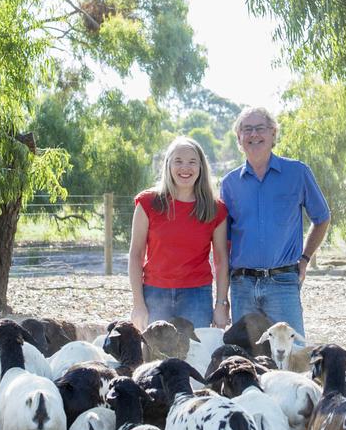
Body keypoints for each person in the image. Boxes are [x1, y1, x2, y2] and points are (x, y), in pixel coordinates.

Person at [220, 106, 330, 337]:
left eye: (260, 128)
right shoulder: (229, 184)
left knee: (292, 356)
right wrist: (222, 297)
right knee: (246, 358)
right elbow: (223, 241)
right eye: (246, 129)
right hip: (242, 285)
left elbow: (322, 218)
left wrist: (305, 258)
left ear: (273, 134)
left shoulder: (297, 172)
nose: (253, 134)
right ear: (239, 138)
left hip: (283, 282)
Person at [128, 136, 230, 331]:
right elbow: (136, 255)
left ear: (201, 167)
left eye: (192, 162)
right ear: (168, 165)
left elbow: (221, 260)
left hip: (197, 296)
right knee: (156, 358)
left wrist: (221, 304)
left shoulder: (215, 208)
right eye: (178, 161)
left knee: (196, 357)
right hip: (154, 294)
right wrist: (138, 304)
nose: (185, 168)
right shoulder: (148, 203)